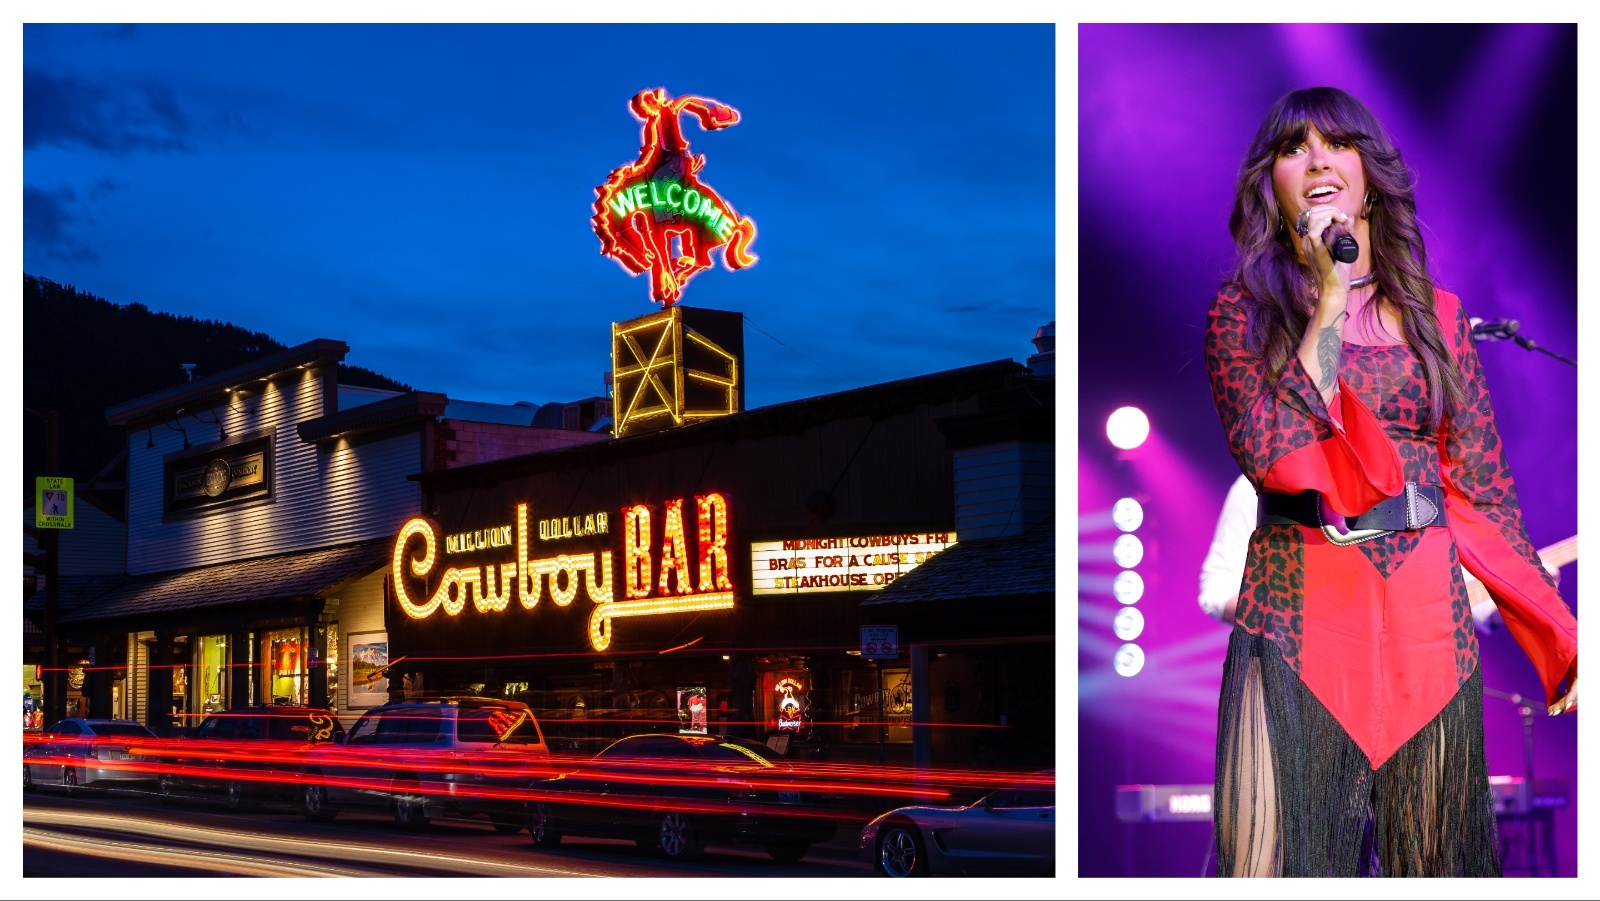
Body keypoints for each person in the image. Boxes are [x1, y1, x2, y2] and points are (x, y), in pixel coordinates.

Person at [1202, 86, 1577, 878]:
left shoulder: (1442, 318)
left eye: (1334, 142)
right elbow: (1278, 448)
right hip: (1296, 621)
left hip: (1424, 628)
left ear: (1370, 175)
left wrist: (1559, 632)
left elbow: (1482, 492)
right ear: (1271, 183)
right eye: (1291, 148)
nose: (1315, 159)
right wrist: (1329, 297)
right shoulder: (1241, 312)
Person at [1198, 473, 1560, 631]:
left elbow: (1470, 599)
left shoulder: (1415, 486)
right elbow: (1217, 591)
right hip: (1299, 684)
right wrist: (1300, 619)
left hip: (1403, 685)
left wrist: (1524, 590)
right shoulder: (1261, 486)